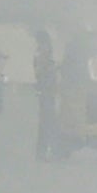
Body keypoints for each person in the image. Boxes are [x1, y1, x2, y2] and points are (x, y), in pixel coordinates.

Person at [32, 28, 59, 160]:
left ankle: (46, 151)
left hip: (46, 92)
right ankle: (47, 151)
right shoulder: (42, 55)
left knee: (47, 122)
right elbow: (41, 72)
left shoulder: (40, 54)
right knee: (48, 123)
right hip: (46, 92)